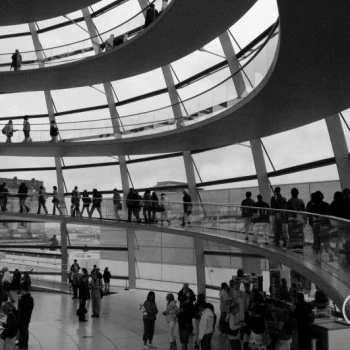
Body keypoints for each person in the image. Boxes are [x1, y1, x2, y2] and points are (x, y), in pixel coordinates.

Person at [17, 285, 34, 350]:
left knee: (24, 331)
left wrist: (21, 300)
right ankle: (21, 342)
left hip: (25, 318)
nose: (20, 291)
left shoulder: (29, 298)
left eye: (21, 290)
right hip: (21, 317)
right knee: (21, 330)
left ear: (24, 290)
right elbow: (19, 308)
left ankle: (25, 344)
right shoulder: (22, 297)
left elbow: (28, 310)